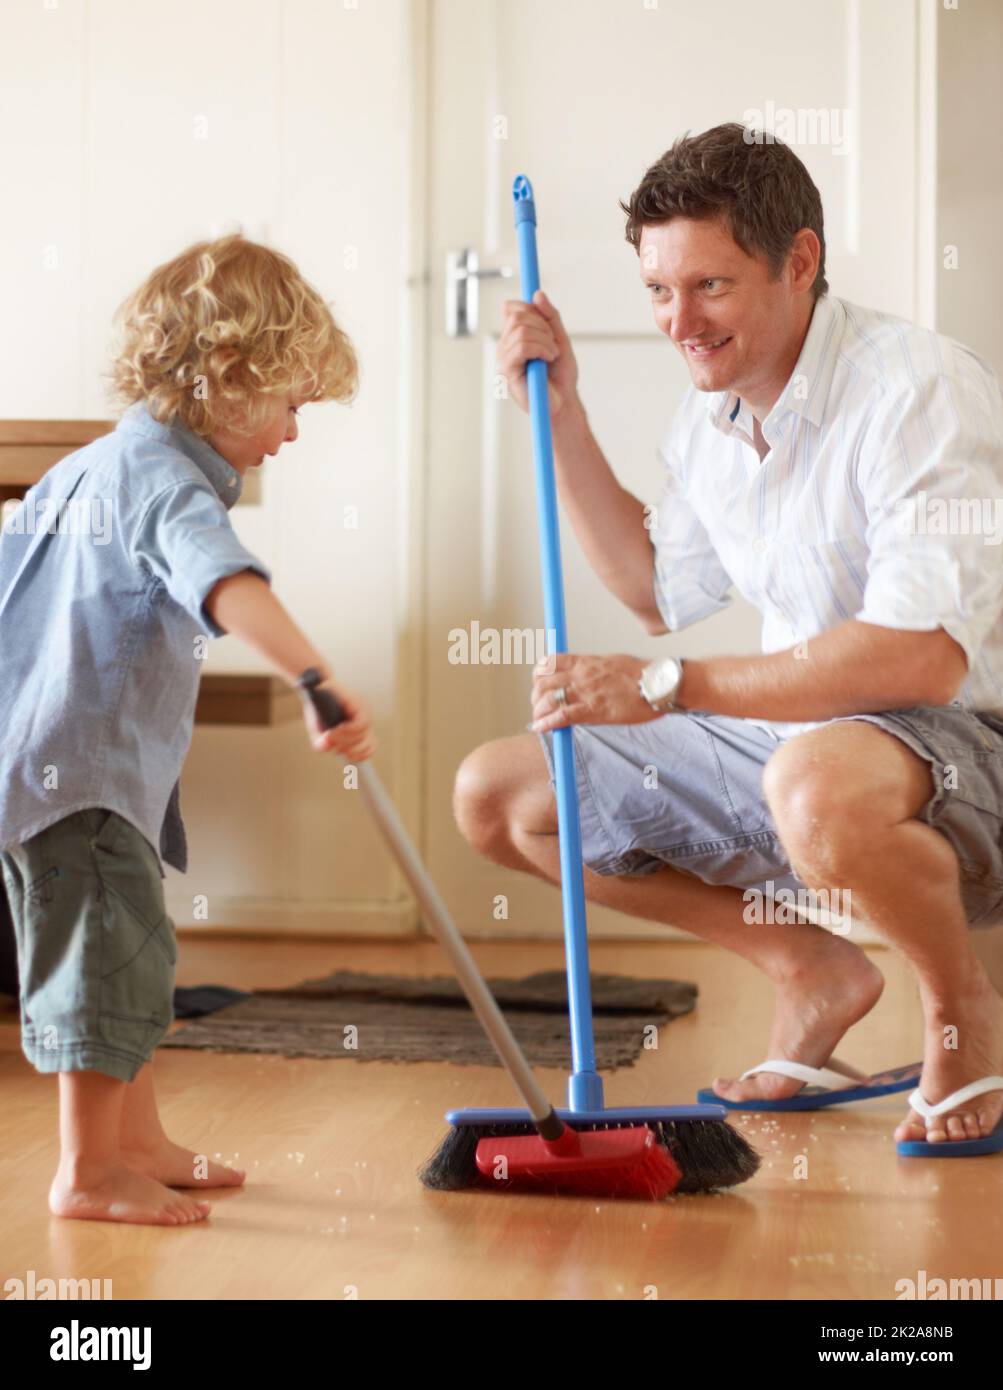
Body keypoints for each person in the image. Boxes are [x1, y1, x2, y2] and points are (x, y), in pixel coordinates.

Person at [454, 122, 1003, 1152]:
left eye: (707, 286)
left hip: (961, 748)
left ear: (798, 262)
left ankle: (961, 1012)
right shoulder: (713, 418)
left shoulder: (914, 390)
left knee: (813, 780)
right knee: (502, 793)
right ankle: (809, 969)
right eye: (659, 291)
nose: (678, 321)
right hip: (803, 744)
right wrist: (560, 409)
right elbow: (654, 587)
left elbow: (922, 655)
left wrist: (667, 684)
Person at [0, 235, 375, 1223]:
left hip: (48, 770)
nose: (295, 430)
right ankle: (87, 1170)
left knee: (131, 953)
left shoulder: (88, 468)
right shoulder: (162, 480)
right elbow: (222, 579)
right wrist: (313, 675)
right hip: (79, 775)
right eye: (292, 401)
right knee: (100, 965)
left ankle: (137, 1141)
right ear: (231, 375)